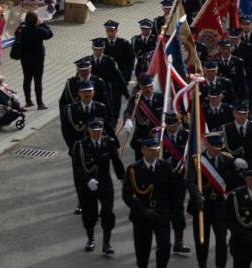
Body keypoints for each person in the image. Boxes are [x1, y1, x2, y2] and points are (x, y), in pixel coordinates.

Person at [186, 131, 243, 268]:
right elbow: (191, 182)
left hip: (220, 205)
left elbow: (237, 183)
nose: (217, 150)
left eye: (219, 147)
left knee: (222, 240)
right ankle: (202, 264)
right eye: (214, 147)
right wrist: (197, 196)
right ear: (207, 145)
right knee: (202, 241)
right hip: (202, 205)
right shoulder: (196, 161)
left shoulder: (228, 159)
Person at [71, 118, 125, 255]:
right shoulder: (80, 146)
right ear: (89, 130)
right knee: (90, 214)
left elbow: (116, 161)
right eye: (94, 131)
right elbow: (77, 167)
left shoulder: (109, 142)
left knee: (107, 211)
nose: (97, 133)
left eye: (99, 130)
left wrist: (122, 178)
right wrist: (88, 180)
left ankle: (107, 243)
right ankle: (91, 239)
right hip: (87, 185)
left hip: (104, 182)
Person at [122, 137, 178, 268]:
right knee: (142, 252)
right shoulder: (133, 169)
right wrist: (143, 210)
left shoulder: (165, 167)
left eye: (157, 149)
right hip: (142, 216)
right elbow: (127, 195)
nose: (155, 152)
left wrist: (171, 212)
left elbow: (173, 192)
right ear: (143, 150)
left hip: (161, 213)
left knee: (165, 247)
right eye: (152, 150)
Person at [160, 113, 191, 255]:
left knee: (178, 208)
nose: (171, 128)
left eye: (174, 125)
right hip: (164, 179)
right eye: (169, 125)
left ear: (178, 124)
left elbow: (192, 154)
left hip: (180, 178)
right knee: (164, 210)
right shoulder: (160, 136)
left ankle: (179, 241)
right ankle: (163, 240)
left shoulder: (186, 135)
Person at [15, 11, 53, 109]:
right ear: (36, 20)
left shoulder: (22, 29)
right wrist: (42, 24)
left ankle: (28, 101)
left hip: (25, 58)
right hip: (38, 59)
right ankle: (40, 103)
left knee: (27, 79)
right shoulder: (39, 30)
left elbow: (16, 34)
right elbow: (50, 34)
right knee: (38, 80)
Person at [122, 75, 165, 160]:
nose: (148, 89)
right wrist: (128, 120)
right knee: (140, 162)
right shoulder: (136, 100)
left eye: (150, 86)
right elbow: (128, 111)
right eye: (145, 87)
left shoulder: (161, 98)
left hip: (157, 135)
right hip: (141, 136)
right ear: (141, 87)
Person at [103, 20, 134, 119]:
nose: (110, 33)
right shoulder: (102, 44)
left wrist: (126, 78)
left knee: (116, 100)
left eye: (112, 31)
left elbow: (129, 62)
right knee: (106, 99)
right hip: (106, 78)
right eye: (108, 31)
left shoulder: (123, 43)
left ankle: (114, 119)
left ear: (116, 31)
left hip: (119, 78)